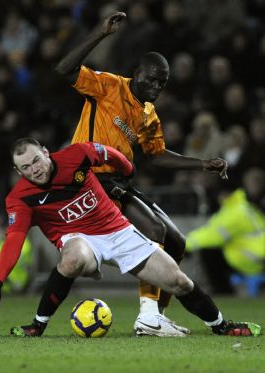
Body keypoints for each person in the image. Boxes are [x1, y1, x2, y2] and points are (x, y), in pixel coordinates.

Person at [0, 138, 261, 339]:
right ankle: (37, 325)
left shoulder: (77, 155)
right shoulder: (19, 197)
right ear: (17, 172)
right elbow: (14, 240)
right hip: (78, 238)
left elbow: (111, 156)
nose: (34, 169)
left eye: (36, 160)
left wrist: (128, 171)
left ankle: (221, 326)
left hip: (118, 231)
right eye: (26, 167)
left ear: (46, 152)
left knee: (178, 281)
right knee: (72, 259)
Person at [53, 10, 228, 337]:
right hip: (89, 179)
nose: (157, 86)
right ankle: (147, 316)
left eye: (163, 82)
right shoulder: (108, 86)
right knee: (154, 230)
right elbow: (64, 69)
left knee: (177, 241)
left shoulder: (148, 114)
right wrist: (100, 35)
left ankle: (156, 315)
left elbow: (157, 155)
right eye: (152, 79)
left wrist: (201, 163)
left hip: (117, 182)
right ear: (137, 73)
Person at [186, 167, 265, 294]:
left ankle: (223, 291)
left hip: (253, 259)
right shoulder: (242, 206)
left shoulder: (235, 211)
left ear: (226, 194)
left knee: (209, 251)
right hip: (257, 254)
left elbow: (213, 236)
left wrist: (184, 244)